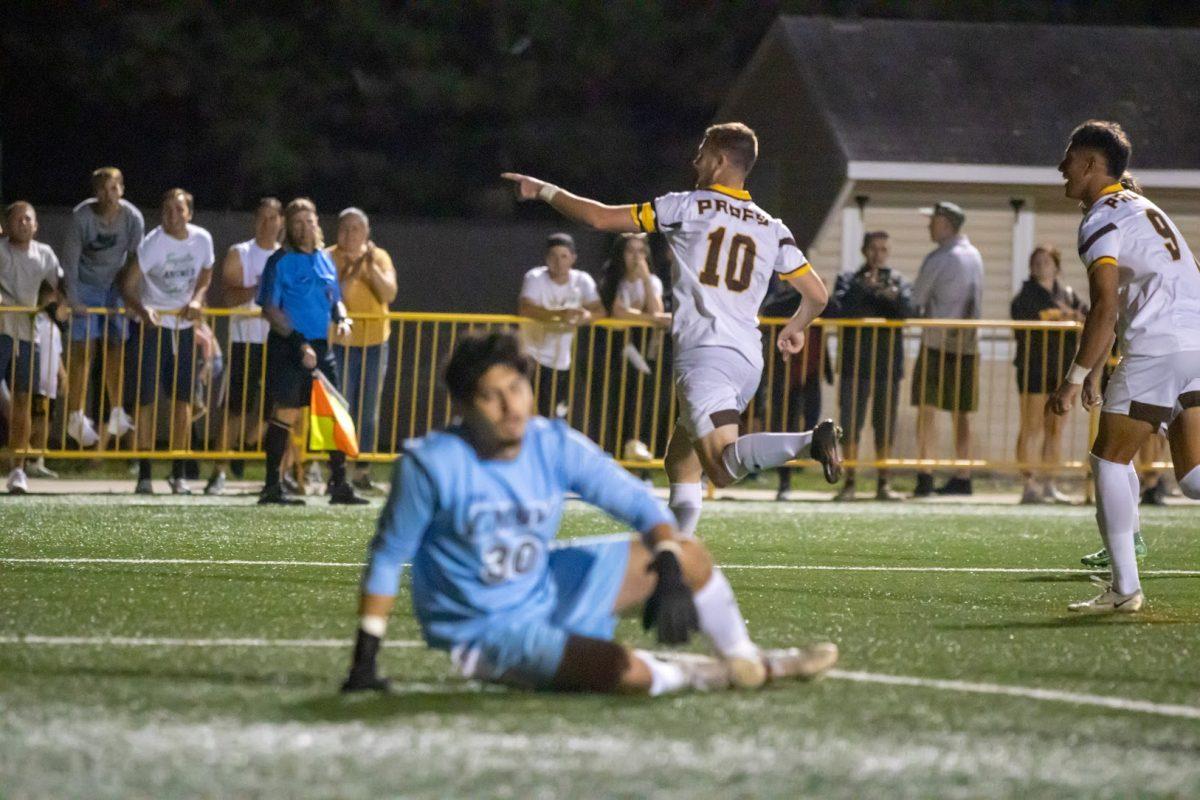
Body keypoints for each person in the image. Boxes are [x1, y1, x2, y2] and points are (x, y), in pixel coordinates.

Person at [341, 331, 838, 695]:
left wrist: (665, 558)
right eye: (491, 396)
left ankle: (748, 661)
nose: (510, 406)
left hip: (543, 587)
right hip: (484, 628)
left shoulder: (551, 443)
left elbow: (637, 503)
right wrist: (366, 657)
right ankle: (704, 674)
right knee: (623, 672)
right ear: (464, 406)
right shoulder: (432, 463)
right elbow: (388, 558)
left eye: (516, 388)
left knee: (690, 556)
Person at [503, 122, 842, 539]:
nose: (695, 159)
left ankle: (810, 442)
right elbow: (817, 295)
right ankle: (677, 550)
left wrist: (543, 190)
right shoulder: (771, 226)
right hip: (746, 359)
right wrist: (796, 326)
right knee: (681, 462)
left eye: (702, 151)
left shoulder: (687, 206)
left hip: (704, 356)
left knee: (721, 466)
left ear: (719, 161)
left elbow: (597, 218)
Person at [1048, 120, 1200, 614]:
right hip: (1193, 342)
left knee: (1109, 459)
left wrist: (1073, 380)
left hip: (1159, 346)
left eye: (1068, 158)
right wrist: (1097, 368)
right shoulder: (1143, 206)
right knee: (1195, 476)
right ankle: (1124, 582)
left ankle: (1125, 588)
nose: (1060, 168)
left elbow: (1105, 307)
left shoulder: (1099, 219)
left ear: (1091, 164)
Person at [255, 198, 366, 506]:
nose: (305, 228)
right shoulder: (280, 261)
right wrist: (298, 343)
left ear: (317, 222)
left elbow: (335, 298)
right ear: (288, 227)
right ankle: (271, 487)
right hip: (289, 345)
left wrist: (342, 318)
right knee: (285, 413)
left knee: (333, 412)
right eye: (298, 223)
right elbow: (271, 310)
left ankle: (339, 485)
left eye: (310, 221)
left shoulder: (324, 259)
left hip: (321, 346)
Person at [120, 188, 214, 495]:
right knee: (147, 400)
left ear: (190, 213)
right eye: (167, 210)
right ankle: (145, 472)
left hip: (184, 327)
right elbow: (128, 285)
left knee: (183, 401)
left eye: (178, 210)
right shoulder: (153, 244)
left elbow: (206, 271)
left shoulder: (202, 239)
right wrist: (142, 309)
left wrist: (198, 298)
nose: (171, 216)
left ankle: (178, 472)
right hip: (154, 326)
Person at [61, 167, 144, 448]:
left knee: (115, 347)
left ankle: (118, 410)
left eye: (112, 188)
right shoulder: (81, 217)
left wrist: (133, 299)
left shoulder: (132, 218)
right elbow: (70, 263)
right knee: (83, 350)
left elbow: (136, 261)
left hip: (115, 285)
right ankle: (75, 415)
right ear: (94, 192)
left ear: (121, 189)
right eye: (101, 189)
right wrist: (74, 300)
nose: (107, 195)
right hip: (85, 284)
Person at [205, 198, 282, 495]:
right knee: (234, 410)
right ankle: (219, 471)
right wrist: (259, 287)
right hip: (245, 340)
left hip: (277, 341)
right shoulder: (241, 252)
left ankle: (275, 474)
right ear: (255, 221)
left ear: (281, 223)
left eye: (273, 218)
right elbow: (230, 296)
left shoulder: (285, 257)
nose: (268, 223)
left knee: (279, 410)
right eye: (263, 217)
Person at [828, 231, 912, 501]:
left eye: (883, 249)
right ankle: (849, 481)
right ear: (864, 250)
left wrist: (880, 293)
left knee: (884, 424)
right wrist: (869, 290)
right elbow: (842, 308)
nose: (878, 254)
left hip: (887, 364)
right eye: (873, 249)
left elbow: (905, 310)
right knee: (851, 424)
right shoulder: (849, 279)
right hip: (855, 363)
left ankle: (883, 483)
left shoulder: (898, 280)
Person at [910, 201, 984, 497]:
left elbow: (917, 298)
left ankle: (925, 474)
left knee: (927, 411)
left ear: (945, 223)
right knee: (961, 413)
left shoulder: (940, 257)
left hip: (936, 344)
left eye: (933, 220)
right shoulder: (975, 256)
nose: (929, 226)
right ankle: (962, 475)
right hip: (967, 344)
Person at [1010, 245, 1087, 504]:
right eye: (1036, 261)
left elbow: (1086, 317)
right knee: (1031, 426)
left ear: (1056, 265)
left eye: (1046, 261)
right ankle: (1028, 483)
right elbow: (1030, 319)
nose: (1041, 265)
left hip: (1061, 369)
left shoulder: (1067, 293)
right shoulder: (1025, 295)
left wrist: (1068, 315)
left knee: (1056, 428)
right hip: (1033, 368)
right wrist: (1063, 316)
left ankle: (1049, 482)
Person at [328, 207, 398, 490]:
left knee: (368, 409)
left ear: (367, 233)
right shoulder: (329, 256)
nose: (350, 234)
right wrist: (351, 267)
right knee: (341, 407)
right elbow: (335, 293)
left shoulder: (379, 257)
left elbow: (389, 293)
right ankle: (337, 468)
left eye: (356, 229)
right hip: (342, 342)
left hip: (374, 342)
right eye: (345, 228)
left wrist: (368, 266)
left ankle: (362, 470)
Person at [0, 202, 64, 493]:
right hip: (2, 329)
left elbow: (56, 287)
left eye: (28, 219)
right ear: (7, 224)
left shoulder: (45, 254)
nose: (23, 223)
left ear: (36, 225)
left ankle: (18, 469)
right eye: (17, 219)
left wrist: (54, 304)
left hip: (28, 333)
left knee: (24, 399)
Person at [596, 232, 671, 461]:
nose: (636, 257)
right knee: (616, 406)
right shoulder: (613, 280)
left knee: (645, 403)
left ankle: (640, 455)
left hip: (644, 348)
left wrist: (647, 278)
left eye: (641, 251)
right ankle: (616, 454)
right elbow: (618, 312)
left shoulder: (653, 282)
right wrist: (652, 318)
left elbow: (655, 308)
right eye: (631, 251)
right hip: (614, 350)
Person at [518, 233, 604, 421]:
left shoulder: (582, 280)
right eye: (553, 256)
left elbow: (600, 311)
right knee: (528, 414)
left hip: (560, 360)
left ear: (573, 258)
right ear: (546, 258)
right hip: (532, 355)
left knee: (555, 416)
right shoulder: (535, 277)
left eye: (564, 256)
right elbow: (526, 308)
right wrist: (560, 314)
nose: (558, 262)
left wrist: (586, 316)